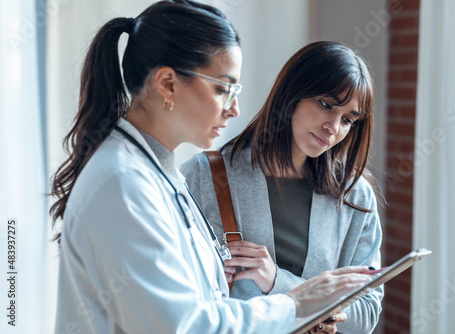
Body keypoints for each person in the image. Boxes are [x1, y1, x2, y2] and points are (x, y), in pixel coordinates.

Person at [49, 2, 374, 333]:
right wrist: (297, 303)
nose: (234, 109)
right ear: (167, 84)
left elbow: (203, 305)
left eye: (348, 119)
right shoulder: (123, 183)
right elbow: (186, 327)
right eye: (223, 88)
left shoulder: (159, 174)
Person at [181, 41, 383, 334]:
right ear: (292, 95)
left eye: (348, 120)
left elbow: (366, 315)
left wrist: (278, 281)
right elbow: (176, 296)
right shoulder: (204, 175)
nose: (333, 127)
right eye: (326, 105)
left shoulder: (355, 195)